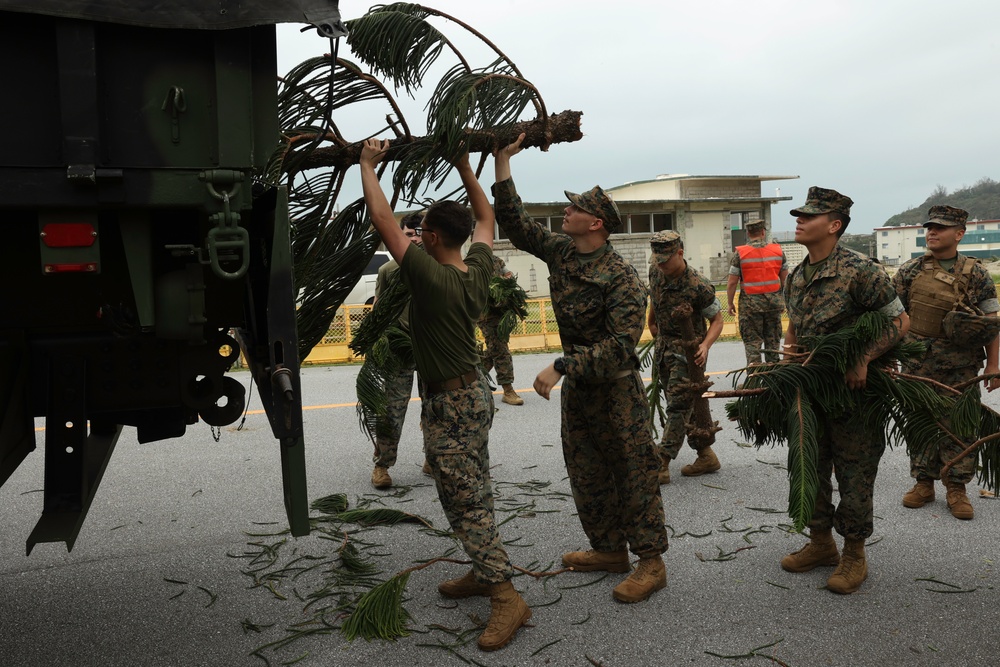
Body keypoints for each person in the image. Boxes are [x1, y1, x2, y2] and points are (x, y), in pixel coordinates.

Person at [359, 139, 530, 651]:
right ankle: (484, 570)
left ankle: (506, 596)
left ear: (430, 237)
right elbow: (487, 218)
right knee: (474, 487)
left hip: (452, 404)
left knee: (464, 498)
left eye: (422, 233)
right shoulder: (475, 270)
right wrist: (462, 164)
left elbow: (383, 219)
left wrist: (366, 164)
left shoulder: (429, 277)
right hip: (474, 394)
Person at [493, 133, 668, 604]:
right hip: (581, 394)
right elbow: (515, 223)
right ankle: (610, 550)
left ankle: (651, 562)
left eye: (573, 209)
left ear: (595, 222)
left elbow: (622, 347)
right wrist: (501, 161)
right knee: (586, 472)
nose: (564, 212)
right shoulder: (564, 252)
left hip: (615, 392)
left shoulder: (620, 275)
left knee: (633, 474)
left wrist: (561, 364)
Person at [779, 186, 909, 595]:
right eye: (798, 214)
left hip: (855, 394)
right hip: (812, 392)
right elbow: (796, 326)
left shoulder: (860, 270)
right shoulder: (797, 275)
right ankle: (821, 543)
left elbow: (899, 322)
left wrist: (863, 357)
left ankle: (854, 551)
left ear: (834, 225)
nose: (799, 220)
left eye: (809, 216)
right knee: (809, 466)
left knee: (854, 471)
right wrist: (787, 362)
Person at [892, 205, 1000, 520]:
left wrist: (993, 365)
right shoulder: (910, 270)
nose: (932, 232)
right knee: (919, 422)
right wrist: (891, 359)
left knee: (961, 426)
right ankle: (924, 482)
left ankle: (957, 488)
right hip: (917, 363)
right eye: (929, 227)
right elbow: (893, 318)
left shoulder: (976, 273)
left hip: (961, 366)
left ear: (959, 233)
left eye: (940, 227)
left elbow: (992, 321)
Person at [647, 231, 724, 484]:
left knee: (678, 407)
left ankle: (662, 461)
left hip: (690, 355)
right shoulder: (656, 271)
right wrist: (652, 323)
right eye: (656, 258)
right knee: (685, 405)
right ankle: (705, 454)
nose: (660, 264)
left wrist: (705, 346)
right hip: (664, 349)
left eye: (665, 259)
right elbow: (654, 299)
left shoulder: (698, 285)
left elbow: (717, 320)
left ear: (680, 253)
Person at [370, 211, 431, 489]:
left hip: (433, 348)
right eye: (409, 234)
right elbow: (378, 309)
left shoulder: (438, 267)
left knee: (436, 408)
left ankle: (434, 458)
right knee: (392, 411)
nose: (415, 239)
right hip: (400, 348)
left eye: (419, 233)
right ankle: (382, 464)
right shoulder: (389, 270)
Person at [726, 219, 788, 367]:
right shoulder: (778, 251)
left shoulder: (740, 254)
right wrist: (785, 301)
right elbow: (786, 280)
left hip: (750, 308)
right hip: (773, 306)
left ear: (748, 233)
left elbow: (732, 282)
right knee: (773, 345)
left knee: (752, 344)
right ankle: (773, 381)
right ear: (763, 232)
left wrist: (729, 303)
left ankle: (754, 384)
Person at [478, 255, 524, 406]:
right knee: (501, 350)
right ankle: (508, 389)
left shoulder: (496, 260)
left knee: (494, 350)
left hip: (501, 313)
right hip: (486, 315)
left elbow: (508, 275)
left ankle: (475, 380)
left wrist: (508, 280)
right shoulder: (472, 262)